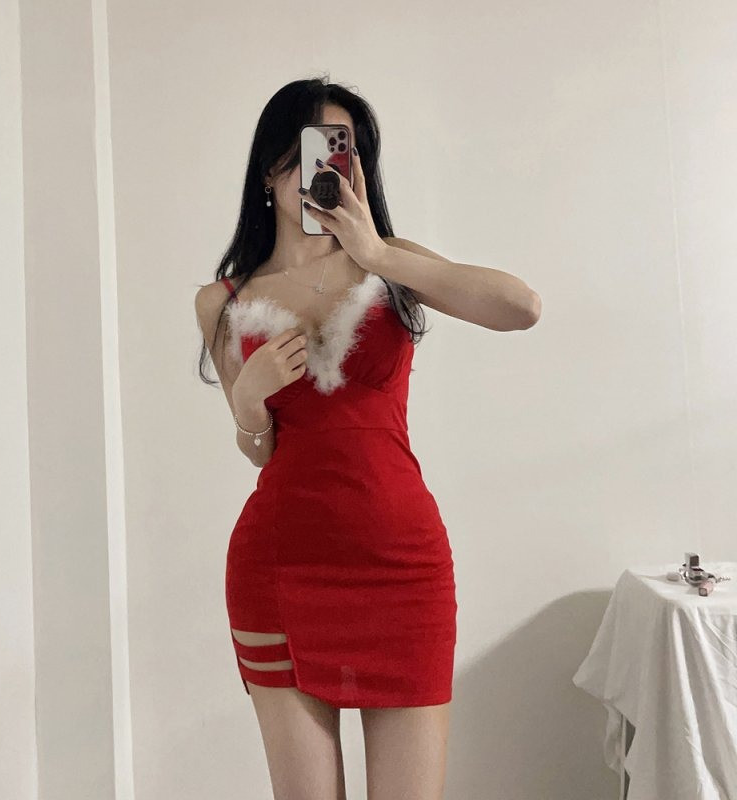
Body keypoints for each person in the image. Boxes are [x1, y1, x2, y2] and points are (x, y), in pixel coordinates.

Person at [195, 76, 540, 800]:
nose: (321, 166)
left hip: (403, 568)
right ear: (269, 168)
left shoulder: (391, 264)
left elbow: (521, 308)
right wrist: (249, 400)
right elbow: (259, 448)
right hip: (279, 570)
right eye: (303, 149)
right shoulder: (224, 301)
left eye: (340, 151)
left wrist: (377, 253)